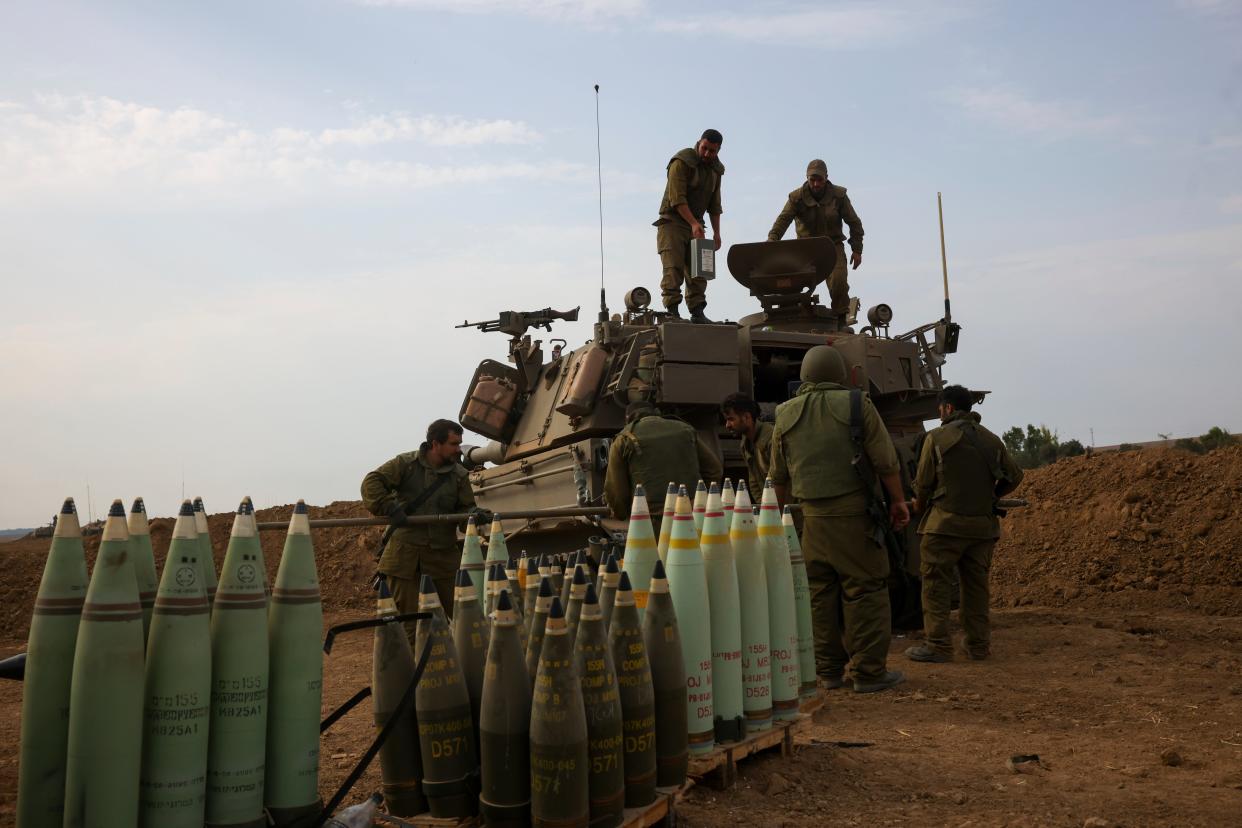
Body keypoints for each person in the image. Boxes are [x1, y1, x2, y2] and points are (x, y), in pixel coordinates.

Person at [769, 345, 909, 693]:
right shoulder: (857, 404)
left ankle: (828, 671)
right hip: (854, 519)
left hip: (811, 522)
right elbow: (886, 461)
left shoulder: (784, 414)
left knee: (819, 593)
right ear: (840, 373)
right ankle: (869, 672)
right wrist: (898, 502)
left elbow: (778, 477)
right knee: (865, 590)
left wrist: (774, 524)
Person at [905, 385, 1024, 663]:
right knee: (976, 587)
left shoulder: (936, 438)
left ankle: (937, 645)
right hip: (982, 529)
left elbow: (923, 485)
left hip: (944, 527)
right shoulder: (992, 440)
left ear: (947, 408)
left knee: (936, 584)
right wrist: (992, 495)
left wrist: (919, 506)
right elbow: (1015, 476)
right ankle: (978, 646)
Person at [361, 419, 478, 637]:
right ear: (436, 444)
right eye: (453, 444)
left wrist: (474, 516)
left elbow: (465, 510)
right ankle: (415, 671)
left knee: (466, 619)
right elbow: (371, 482)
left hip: (443, 556)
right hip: (405, 557)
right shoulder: (406, 464)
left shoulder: (459, 475)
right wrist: (388, 505)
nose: (458, 449)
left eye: (459, 443)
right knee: (409, 627)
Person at [766, 159, 864, 324]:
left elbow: (854, 223)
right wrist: (772, 240)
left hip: (832, 247)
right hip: (805, 249)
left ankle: (840, 319)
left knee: (839, 281)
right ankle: (790, 318)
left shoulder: (839, 196)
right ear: (806, 178)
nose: (816, 184)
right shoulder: (796, 198)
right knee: (789, 284)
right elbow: (782, 221)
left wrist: (857, 249)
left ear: (826, 177)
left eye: (820, 179)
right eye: (812, 180)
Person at [605, 401, 723, 520]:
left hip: (651, 518)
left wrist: (620, 513)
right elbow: (714, 470)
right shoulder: (686, 429)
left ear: (628, 418)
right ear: (656, 413)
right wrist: (701, 500)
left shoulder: (624, 439)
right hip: (692, 513)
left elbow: (616, 490)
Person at [654, 129, 724, 324]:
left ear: (718, 150)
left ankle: (697, 311)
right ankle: (673, 311)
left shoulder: (716, 170)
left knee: (700, 271)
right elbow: (677, 198)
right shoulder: (682, 161)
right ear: (699, 144)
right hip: (673, 222)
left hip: (697, 225)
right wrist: (693, 223)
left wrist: (717, 233)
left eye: (712, 151)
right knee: (673, 267)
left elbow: (715, 204)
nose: (707, 154)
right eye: (705, 148)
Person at [721, 393, 773, 502]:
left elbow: (781, 479)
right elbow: (754, 482)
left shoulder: (771, 439)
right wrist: (764, 508)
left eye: (731, 419)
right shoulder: (746, 444)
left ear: (746, 417)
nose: (727, 425)